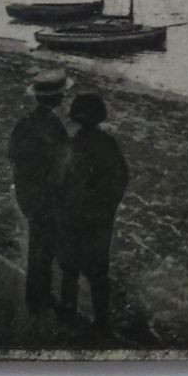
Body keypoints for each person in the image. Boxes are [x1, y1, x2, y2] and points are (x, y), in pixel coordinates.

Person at [57, 93, 128, 333]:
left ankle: (68, 313)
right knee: (99, 272)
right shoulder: (108, 144)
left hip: (73, 215)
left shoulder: (71, 145)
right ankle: (101, 321)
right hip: (99, 218)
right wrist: (108, 207)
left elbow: (59, 182)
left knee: (70, 269)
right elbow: (121, 179)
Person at [7, 68, 71, 315]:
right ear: (59, 99)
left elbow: (12, 155)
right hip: (47, 199)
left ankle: (37, 294)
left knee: (38, 244)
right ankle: (39, 298)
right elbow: (62, 168)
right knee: (45, 248)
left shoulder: (25, 123)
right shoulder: (54, 128)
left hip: (28, 195)